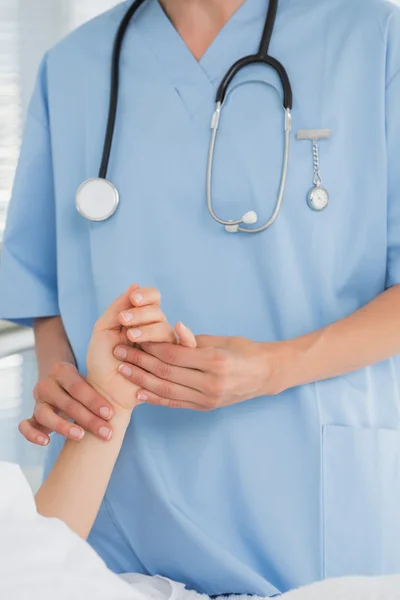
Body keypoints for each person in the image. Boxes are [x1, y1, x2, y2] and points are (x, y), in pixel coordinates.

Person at [1, 0, 400, 595]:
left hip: (313, 521)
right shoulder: (74, 66)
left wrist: (272, 368)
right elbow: (43, 284)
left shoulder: (375, 36)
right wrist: (61, 372)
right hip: (118, 528)